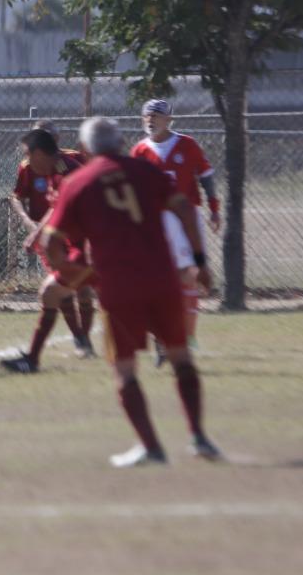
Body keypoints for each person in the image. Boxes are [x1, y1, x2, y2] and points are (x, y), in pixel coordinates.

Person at [42, 117, 222, 467]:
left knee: (125, 369)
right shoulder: (146, 170)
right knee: (181, 357)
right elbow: (184, 208)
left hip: (119, 286)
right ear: (122, 142)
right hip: (164, 279)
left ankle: (151, 447)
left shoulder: (78, 181)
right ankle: (199, 437)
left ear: (85, 149)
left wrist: (73, 273)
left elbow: (51, 243)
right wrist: (199, 261)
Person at [1, 126, 94, 373]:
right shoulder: (49, 172)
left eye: (29, 154)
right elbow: (53, 208)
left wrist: (36, 233)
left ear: (40, 152)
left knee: (108, 296)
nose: (27, 161)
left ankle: (166, 339)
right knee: (53, 293)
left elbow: (58, 209)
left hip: (93, 246)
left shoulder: (67, 170)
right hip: (70, 244)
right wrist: (37, 231)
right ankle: (36, 358)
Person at [130, 99, 219, 353]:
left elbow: (206, 176)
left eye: (157, 116)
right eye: (147, 116)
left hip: (185, 220)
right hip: (154, 222)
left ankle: (188, 336)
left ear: (169, 120)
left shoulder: (187, 145)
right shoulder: (139, 151)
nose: (151, 120)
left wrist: (214, 208)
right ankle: (160, 332)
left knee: (188, 277)